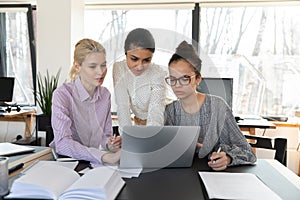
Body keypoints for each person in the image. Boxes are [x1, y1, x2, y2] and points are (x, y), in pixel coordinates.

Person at [164, 41, 256, 171]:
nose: (177, 85)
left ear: (198, 78)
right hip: (180, 175)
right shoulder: (169, 111)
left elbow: (248, 152)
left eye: (184, 78)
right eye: (172, 79)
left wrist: (228, 158)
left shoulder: (218, 107)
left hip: (213, 174)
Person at [50, 38, 121, 165]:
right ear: (77, 66)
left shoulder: (105, 95)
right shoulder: (62, 95)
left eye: (103, 65)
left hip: (92, 162)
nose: (101, 72)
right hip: (66, 161)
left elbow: (105, 136)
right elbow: (62, 143)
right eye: (93, 66)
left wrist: (111, 144)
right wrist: (104, 156)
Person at [113, 28, 167, 129]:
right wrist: (126, 137)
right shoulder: (119, 68)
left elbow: (156, 110)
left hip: (163, 123)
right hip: (138, 122)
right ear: (125, 51)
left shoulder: (157, 73)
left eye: (147, 60)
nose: (140, 66)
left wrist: (151, 135)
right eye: (134, 59)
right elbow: (122, 106)